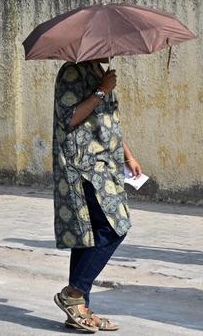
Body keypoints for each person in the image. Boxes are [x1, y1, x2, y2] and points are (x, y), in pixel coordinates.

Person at [52, 57, 142, 333]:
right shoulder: (72, 72)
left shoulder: (96, 70)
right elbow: (69, 118)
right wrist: (102, 89)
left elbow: (106, 119)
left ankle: (79, 309)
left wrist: (128, 155)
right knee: (115, 228)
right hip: (85, 167)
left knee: (87, 237)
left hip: (105, 164)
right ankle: (74, 293)